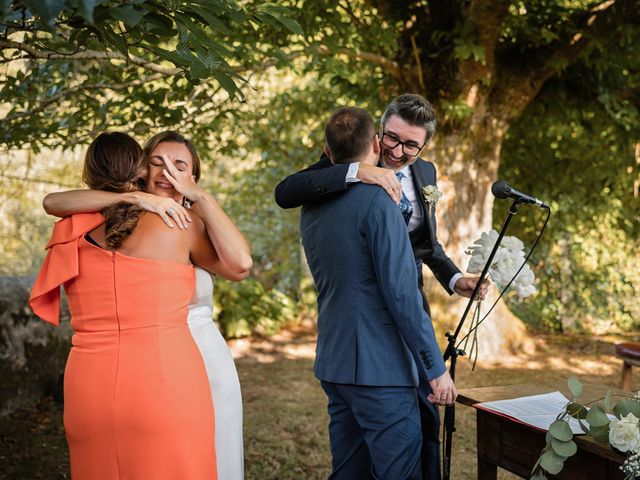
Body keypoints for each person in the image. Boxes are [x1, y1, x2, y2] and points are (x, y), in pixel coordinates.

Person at [275, 94, 488, 479]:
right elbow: (401, 293)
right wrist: (435, 369)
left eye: (411, 145)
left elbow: (425, 245)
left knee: (353, 468)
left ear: (423, 146)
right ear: (377, 137)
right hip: (382, 362)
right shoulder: (368, 196)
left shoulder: (317, 208)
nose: (398, 150)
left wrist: (455, 279)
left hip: (337, 358)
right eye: (391, 139)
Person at [41, 131, 251, 480]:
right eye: (157, 162)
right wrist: (143, 200)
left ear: (193, 176)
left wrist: (196, 197)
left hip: (92, 382)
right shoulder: (179, 226)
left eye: (178, 166)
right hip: (168, 374)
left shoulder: (76, 229)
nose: (167, 172)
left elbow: (53, 203)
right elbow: (241, 264)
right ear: (140, 169)